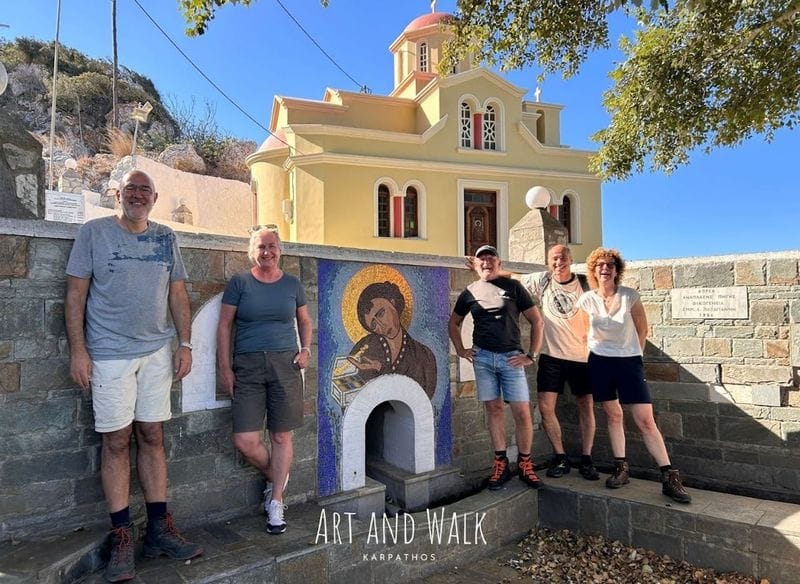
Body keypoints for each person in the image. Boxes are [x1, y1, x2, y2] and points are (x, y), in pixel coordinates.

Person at [65, 170, 202, 583]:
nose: (137, 195)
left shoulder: (165, 237)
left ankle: (159, 530)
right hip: (109, 354)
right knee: (116, 440)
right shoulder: (94, 233)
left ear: (155, 198)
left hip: (156, 353)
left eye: (145, 189)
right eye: (131, 189)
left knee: (153, 435)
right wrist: (78, 351)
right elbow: (75, 294)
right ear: (118, 194)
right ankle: (121, 536)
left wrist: (185, 344)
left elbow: (177, 293)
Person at [467, 245, 599, 480]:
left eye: (563, 258)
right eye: (554, 259)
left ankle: (587, 458)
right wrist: (485, 267)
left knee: (586, 406)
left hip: (582, 357)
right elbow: (514, 277)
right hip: (551, 357)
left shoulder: (586, 283)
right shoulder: (543, 280)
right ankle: (560, 457)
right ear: (548, 261)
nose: (558, 263)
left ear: (570, 259)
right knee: (546, 408)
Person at [216, 226, 312, 535]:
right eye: (260, 247)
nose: (266, 251)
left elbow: (304, 320)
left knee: (281, 436)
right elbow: (224, 326)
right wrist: (225, 368)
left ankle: (276, 501)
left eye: (271, 246)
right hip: (247, 365)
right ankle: (276, 477)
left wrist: (306, 350)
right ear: (252, 251)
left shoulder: (292, 284)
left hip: (286, 365)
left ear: (280, 250)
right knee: (245, 440)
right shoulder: (240, 283)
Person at [577, 247, 691, 504]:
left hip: (629, 362)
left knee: (645, 420)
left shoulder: (629, 296)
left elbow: (642, 330)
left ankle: (669, 476)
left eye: (610, 265)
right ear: (593, 270)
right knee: (613, 415)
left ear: (617, 270)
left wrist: (635, 357)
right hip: (599, 362)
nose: (605, 269)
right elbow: (584, 333)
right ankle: (621, 468)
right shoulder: (586, 300)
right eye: (600, 265)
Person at [449, 245, 545, 490]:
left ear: (499, 263)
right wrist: (461, 349)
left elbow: (537, 321)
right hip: (483, 359)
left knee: (522, 413)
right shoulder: (470, 291)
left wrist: (531, 355)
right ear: (476, 264)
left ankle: (525, 464)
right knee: (494, 409)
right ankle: (500, 465)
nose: (486, 262)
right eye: (481, 259)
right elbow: (453, 323)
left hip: (511, 359)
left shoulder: (513, 287)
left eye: (491, 258)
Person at [347, 281, 437, 398]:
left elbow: (422, 400)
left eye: (381, 313)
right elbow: (349, 393)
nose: (381, 326)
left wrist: (381, 369)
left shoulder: (424, 356)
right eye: (373, 325)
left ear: (393, 302)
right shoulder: (363, 349)